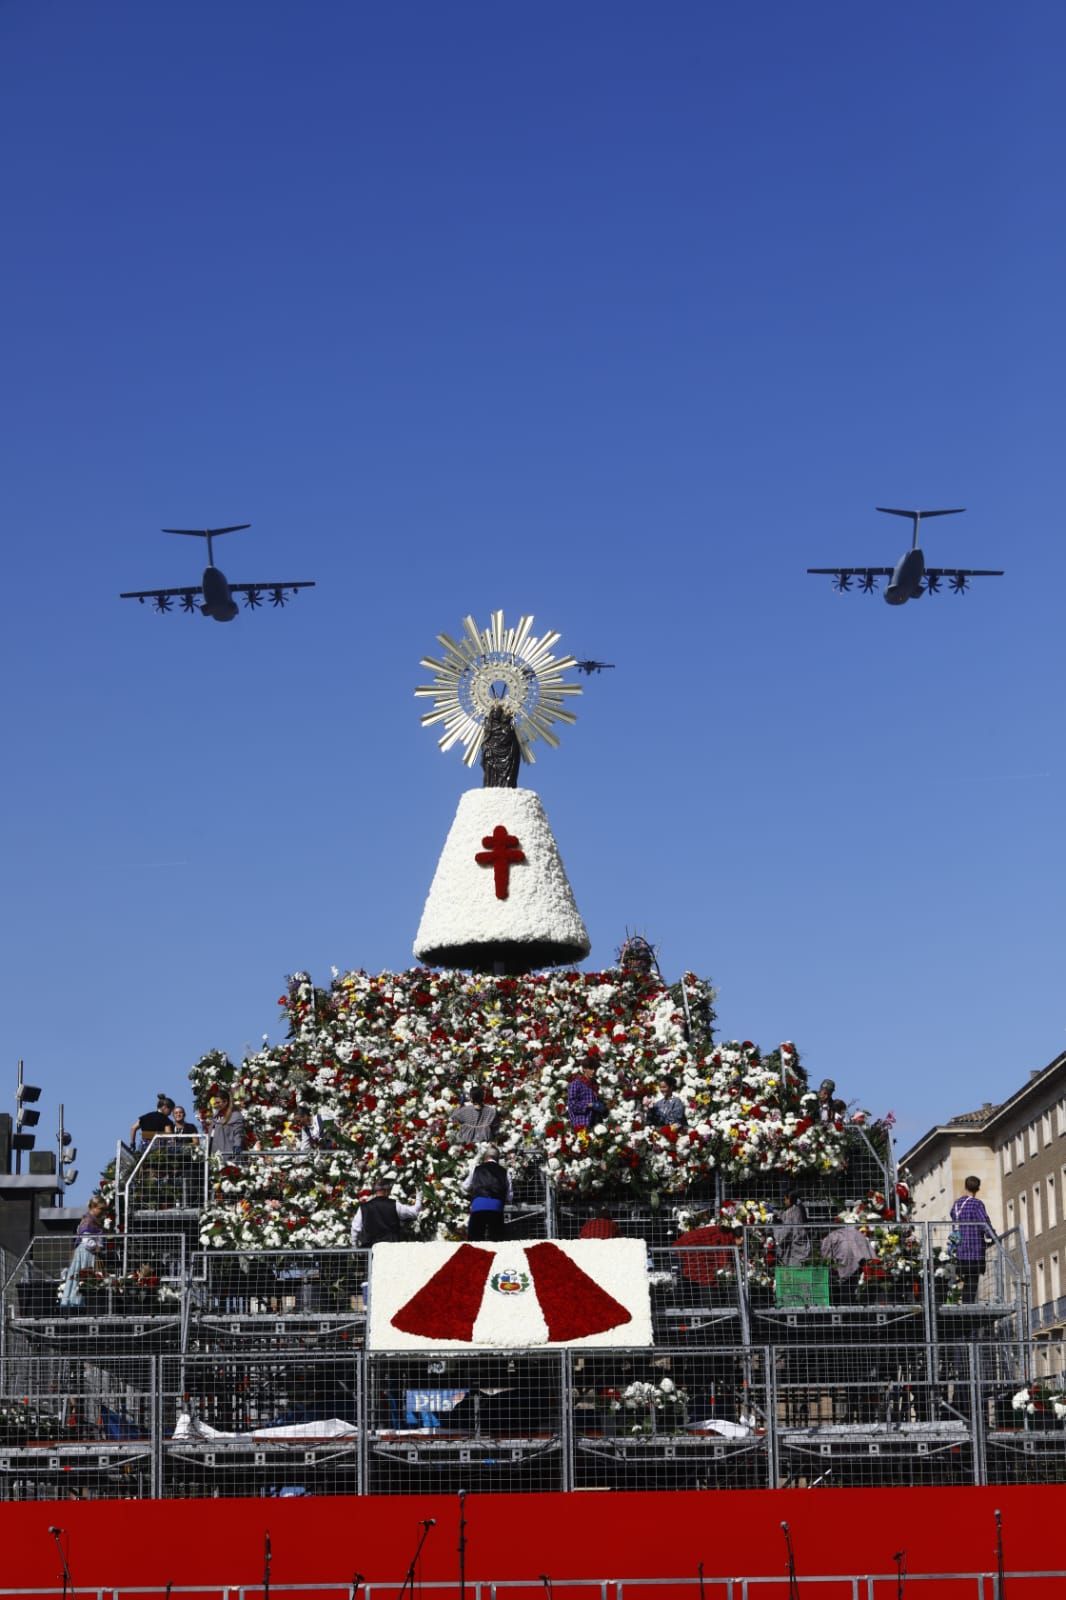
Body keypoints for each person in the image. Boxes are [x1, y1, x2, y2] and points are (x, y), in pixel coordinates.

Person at [951, 1174, 998, 1303]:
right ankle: (968, 1305)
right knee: (972, 1281)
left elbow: (953, 1218)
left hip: (960, 1250)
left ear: (965, 1186)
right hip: (975, 1250)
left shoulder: (956, 1205)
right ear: (977, 1189)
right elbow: (984, 1223)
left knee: (965, 1280)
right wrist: (993, 1236)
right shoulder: (977, 1204)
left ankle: (964, 1303)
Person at [58, 1197, 107, 1308]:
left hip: (89, 1253)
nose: (103, 1212)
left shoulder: (92, 1220)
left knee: (84, 1277)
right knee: (83, 1277)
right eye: (101, 1209)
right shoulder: (88, 1221)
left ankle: (79, 1302)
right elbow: (86, 1240)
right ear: (93, 1207)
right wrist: (97, 1247)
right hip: (86, 1253)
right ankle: (76, 1302)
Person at [461, 1144, 513, 1241]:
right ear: (497, 1159)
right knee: (497, 1239)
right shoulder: (505, 1172)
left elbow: (465, 1186)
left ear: (485, 1157)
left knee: (475, 1238)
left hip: (478, 1206)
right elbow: (509, 1196)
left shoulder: (476, 1169)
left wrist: (473, 1192)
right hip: (496, 1207)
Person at [351, 1181, 423, 1247]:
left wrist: (355, 1246)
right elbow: (414, 1212)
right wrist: (419, 1197)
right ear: (386, 1191)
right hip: (390, 1249)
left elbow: (355, 1229)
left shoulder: (363, 1208)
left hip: (371, 1249)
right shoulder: (394, 1205)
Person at [820, 1220, 875, 1304]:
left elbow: (825, 1254)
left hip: (845, 1262)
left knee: (845, 1286)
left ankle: (845, 1309)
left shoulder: (832, 1236)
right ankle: (852, 1306)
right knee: (852, 1284)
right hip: (857, 1261)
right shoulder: (854, 1232)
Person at [775, 1192, 812, 1267]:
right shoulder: (798, 1209)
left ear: (790, 1199)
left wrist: (776, 1235)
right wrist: (776, 1212)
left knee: (794, 1271)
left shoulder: (792, 1212)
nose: (784, 1202)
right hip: (801, 1245)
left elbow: (787, 1231)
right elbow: (785, 1216)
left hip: (795, 1248)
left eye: (785, 1199)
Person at [206, 1089, 246, 1157]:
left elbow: (238, 1133)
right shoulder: (216, 1117)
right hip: (214, 1155)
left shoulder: (235, 1115)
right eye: (215, 1103)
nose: (216, 1105)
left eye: (218, 1102)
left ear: (225, 1102)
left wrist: (237, 1145)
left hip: (228, 1155)